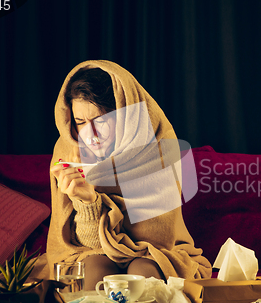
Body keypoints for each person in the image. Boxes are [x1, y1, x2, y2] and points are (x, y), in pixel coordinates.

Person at [47, 60, 212, 288]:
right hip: (90, 252)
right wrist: (87, 202)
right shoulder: (68, 150)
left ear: (126, 117)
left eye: (101, 121)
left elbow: (159, 239)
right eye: (80, 122)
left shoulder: (158, 143)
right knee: (95, 269)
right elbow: (82, 245)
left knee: (141, 273)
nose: (91, 135)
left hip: (155, 252)